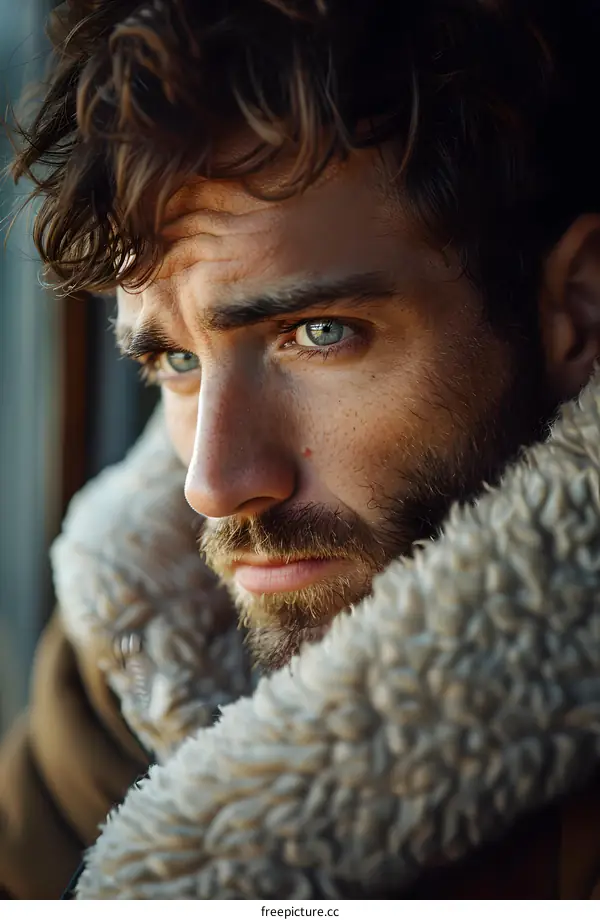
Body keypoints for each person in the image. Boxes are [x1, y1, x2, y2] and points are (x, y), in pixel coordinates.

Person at [4, 0, 600, 898]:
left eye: (319, 332)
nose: (214, 485)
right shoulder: (127, 661)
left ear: (579, 309)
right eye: (175, 361)